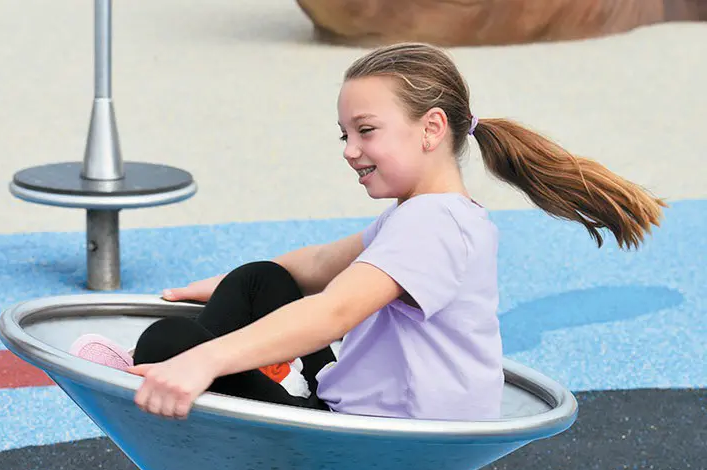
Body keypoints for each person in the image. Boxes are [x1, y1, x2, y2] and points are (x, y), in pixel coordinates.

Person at [70, 42, 664, 422]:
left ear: (431, 128)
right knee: (260, 280)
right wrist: (219, 287)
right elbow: (319, 264)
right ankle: (245, 364)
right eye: (343, 135)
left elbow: (333, 313)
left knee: (167, 347)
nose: (351, 151)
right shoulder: (431, 214)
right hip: (372, 409)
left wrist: (203, 357)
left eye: (367, 131)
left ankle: (149, 364)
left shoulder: (431, 224)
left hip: (375, 432)